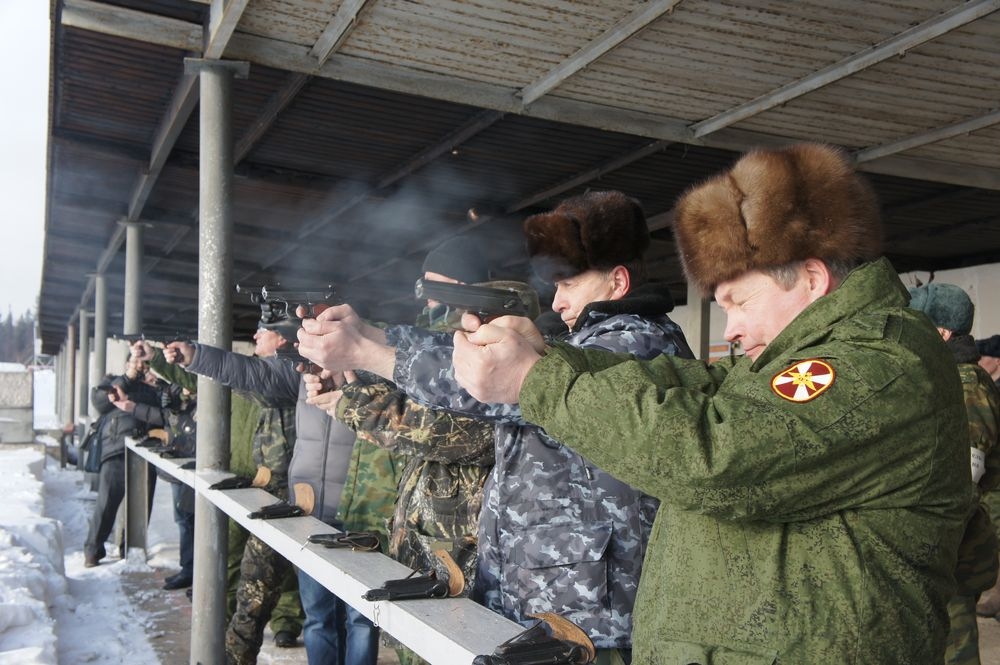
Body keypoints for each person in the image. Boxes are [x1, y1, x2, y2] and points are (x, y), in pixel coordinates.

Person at [440, 143, 972, 663]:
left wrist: (538, 382)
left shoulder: (875, 365)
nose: (731, 330)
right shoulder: (790, 361)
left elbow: (719, 456)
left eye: (739, 302)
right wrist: (545, 356)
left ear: (812, 278)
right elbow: (687, 383)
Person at [297, 191, 693, 663]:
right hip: (549, 595)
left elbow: (489, 384)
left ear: (618, 280)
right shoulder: (585, 343)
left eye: (568, 283)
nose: (558, 299)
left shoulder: (636, 344)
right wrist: (371, 336)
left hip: (590, 615)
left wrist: (368, 353)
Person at [304, 237, 503, 665]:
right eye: (426, 287)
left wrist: (350, 400)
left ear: (474, 288)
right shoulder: (428, 343)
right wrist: (348, 387)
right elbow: (408, 383)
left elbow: (453, 430)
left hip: (463, 547)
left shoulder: (488, 347)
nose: (431, 299)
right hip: (421, 534)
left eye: (443, 288)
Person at [164, 329, 389, 665]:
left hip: (363, 513)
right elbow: (252, 372)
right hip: (311, 511)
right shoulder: (303, 372)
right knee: (318, 617)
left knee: (359, 620)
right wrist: (196, 356)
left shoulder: (378, 370)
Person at [137, 334, 305, 656]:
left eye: (263, 328)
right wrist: (162, 359)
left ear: (283, 337)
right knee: (231, 561)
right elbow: (203, 377)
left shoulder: (281, 375)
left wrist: (196, 355)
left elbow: (248, 373)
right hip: (245, 480)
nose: (255, 335)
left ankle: (286, 623)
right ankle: (222, 626)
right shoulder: (245, 374)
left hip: (276, 485)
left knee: (278, 573)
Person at [908, 283, 1000, 664]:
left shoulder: (965, 386)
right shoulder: (945, 379)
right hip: (946, 543)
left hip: (957, 546)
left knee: (954, 648)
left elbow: (963, 475)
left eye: (918, 327)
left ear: (942, 333)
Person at [83, 359, 163, 567]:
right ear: (127, 363)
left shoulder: (152, 385)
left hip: (147, 449)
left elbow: (164, 413)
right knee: (107, 502)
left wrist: (156, 385)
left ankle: (131, 550)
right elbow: (100, 401)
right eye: (136, 362)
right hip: (117, 448)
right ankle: (92, 550)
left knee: (142, 504)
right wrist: (127, 378)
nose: (140, 367)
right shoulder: (114, 381)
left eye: (144, 363)